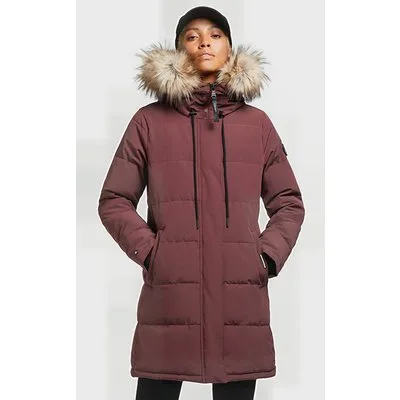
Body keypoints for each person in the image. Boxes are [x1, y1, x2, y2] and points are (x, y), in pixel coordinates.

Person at [98, 6, 305, 400]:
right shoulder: (148, 122)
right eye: (192, 36)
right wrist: (153, 253)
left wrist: (265, 256)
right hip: (170, 300)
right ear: (179, 51)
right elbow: (114, 200)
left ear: (230, 48)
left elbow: (288, 202)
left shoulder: (257, 124)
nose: (204, 42)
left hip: (240, 300)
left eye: (215, 35)